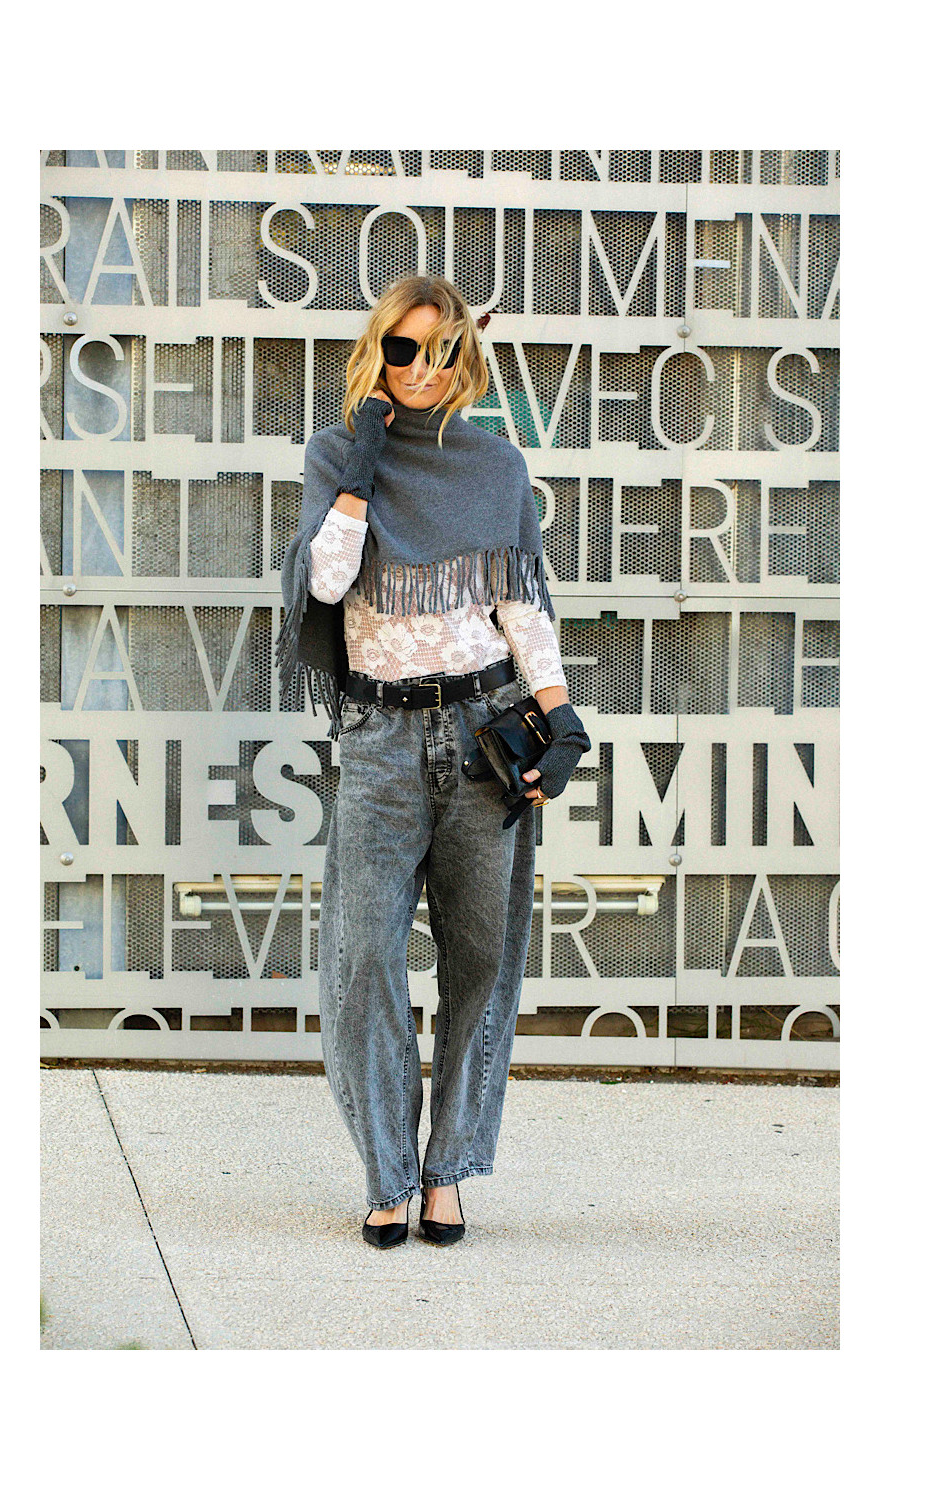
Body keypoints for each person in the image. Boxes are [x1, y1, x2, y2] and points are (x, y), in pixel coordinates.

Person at [275, 274, 591, 1247]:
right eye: (403, 349)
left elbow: (519, 604)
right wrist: (364, 464)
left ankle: (447, 1171)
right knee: (363, 959)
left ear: (465, 359)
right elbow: (328, 580)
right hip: (380, 741)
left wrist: (561, 717)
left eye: (439, 351)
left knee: (482, 961)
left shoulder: (495, 465)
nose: (420, 369)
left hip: (486, 732)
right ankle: (387, 1173)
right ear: (379, 351)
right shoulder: (335, 453)